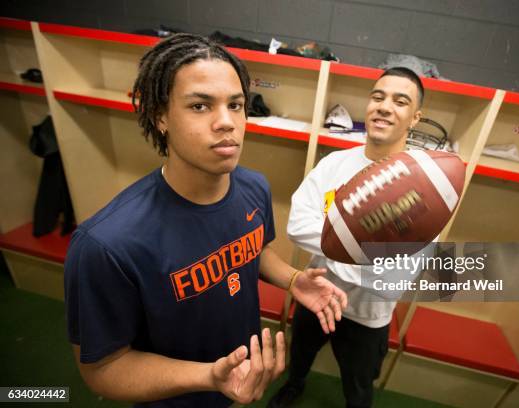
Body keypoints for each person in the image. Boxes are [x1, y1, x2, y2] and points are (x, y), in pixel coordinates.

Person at [64, 33, 347, 408]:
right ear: (160, 116)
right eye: (200, 106)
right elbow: (102, 369)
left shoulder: (253, 187)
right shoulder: (105, 245)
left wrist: (292, 279)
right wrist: (209, 376)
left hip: (240, 379)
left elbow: (249, 249)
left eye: (236, 105)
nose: (226, 122)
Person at [269, 67, 425, 408]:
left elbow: (396, 275)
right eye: (378, 96)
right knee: (300, 356)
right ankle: (294, 386)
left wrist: (334, 241)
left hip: (367, 315)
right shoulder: (334, 164)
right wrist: (368, 250)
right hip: (315, 296)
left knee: (358, 389)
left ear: (415, 118)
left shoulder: (424, 186)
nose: (384, 107)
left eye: (400, 101)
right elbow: (297, 225)